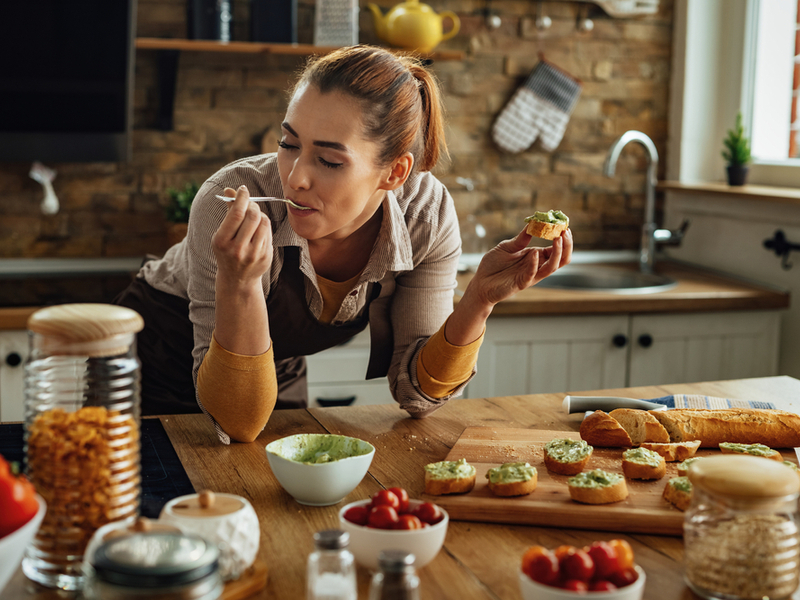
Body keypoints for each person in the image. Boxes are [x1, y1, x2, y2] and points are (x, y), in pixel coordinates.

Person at [116, 45, 573, 444]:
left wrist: (476, 301)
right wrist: (238, 283)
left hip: (273, 362)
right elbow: (235, 421)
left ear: (394, 173)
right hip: (162, 355)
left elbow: (417, 395)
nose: (295, 178)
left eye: (330, 160)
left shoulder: (425, 217)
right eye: (288, 143)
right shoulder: (232, 200)